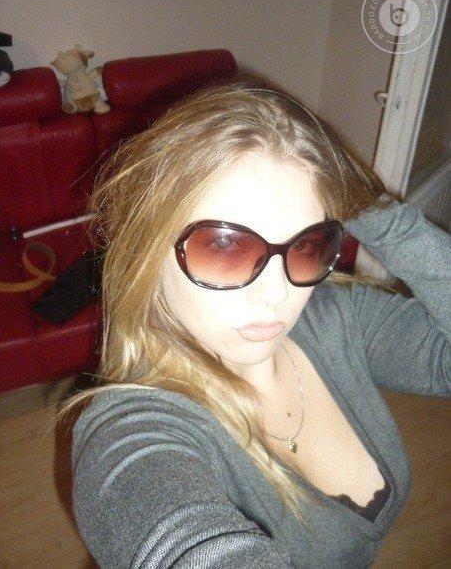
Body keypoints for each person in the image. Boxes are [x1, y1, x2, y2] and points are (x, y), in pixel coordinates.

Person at [52, 76, 451, 568]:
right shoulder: (130, 430)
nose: (277, 294)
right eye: (225, 247)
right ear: (146, 251)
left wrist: (379, 213)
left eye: (308, 245)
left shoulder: (339, 317)